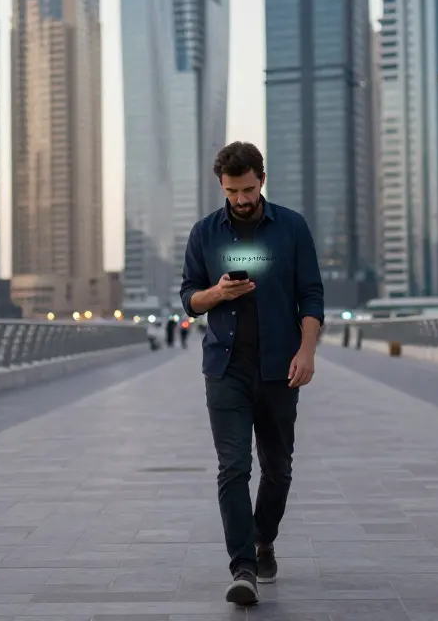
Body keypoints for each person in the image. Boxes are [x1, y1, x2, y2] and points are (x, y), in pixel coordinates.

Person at [179, 141, 324, 606]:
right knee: (234, 466)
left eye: (247, 188)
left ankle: (264, 540)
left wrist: (307, 352)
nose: (240, 199)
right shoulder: (205, 233)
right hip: (226, 368)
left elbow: (312, 295)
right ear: (220, 186)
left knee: (278, 469)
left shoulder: (292, 228)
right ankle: (243, 566)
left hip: (281, 368)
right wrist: (216, 293)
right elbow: (188, 298)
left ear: (261, 180)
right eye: (231, 190)